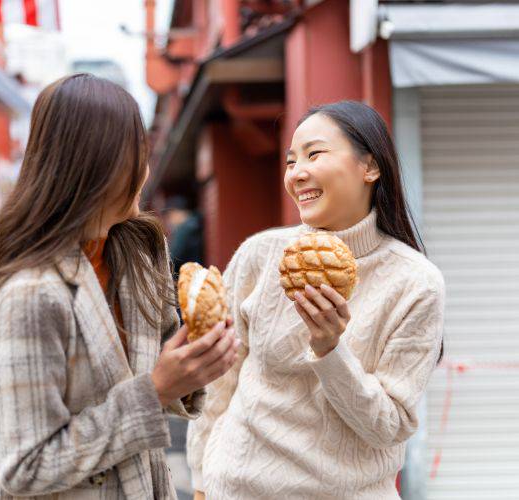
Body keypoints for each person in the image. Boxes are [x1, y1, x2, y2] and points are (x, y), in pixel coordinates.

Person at [0, 74, 240, 499]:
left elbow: (163, 365)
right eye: (137, 156)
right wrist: (156, 391)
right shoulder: (28, 295)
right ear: (98, 165)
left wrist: (198, 362)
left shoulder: (139, 254)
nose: (146, 172)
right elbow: (24, 467)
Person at [187, 101, 445, 499]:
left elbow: (390, 426)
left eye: (314, 154)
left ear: (370, 167)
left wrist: (329, 350)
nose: (297, 173)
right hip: (236, 488)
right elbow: (220, 380)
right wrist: (201, 481)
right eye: (291, 161)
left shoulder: (415, 282)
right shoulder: (261, 254)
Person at [164, 195, 204, 272]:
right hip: (194, 271)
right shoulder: (193, 224)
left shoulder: (185, 228)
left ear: (178, 213)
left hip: (189, 275)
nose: (169, 219)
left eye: (170, 215)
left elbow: (173, 257)